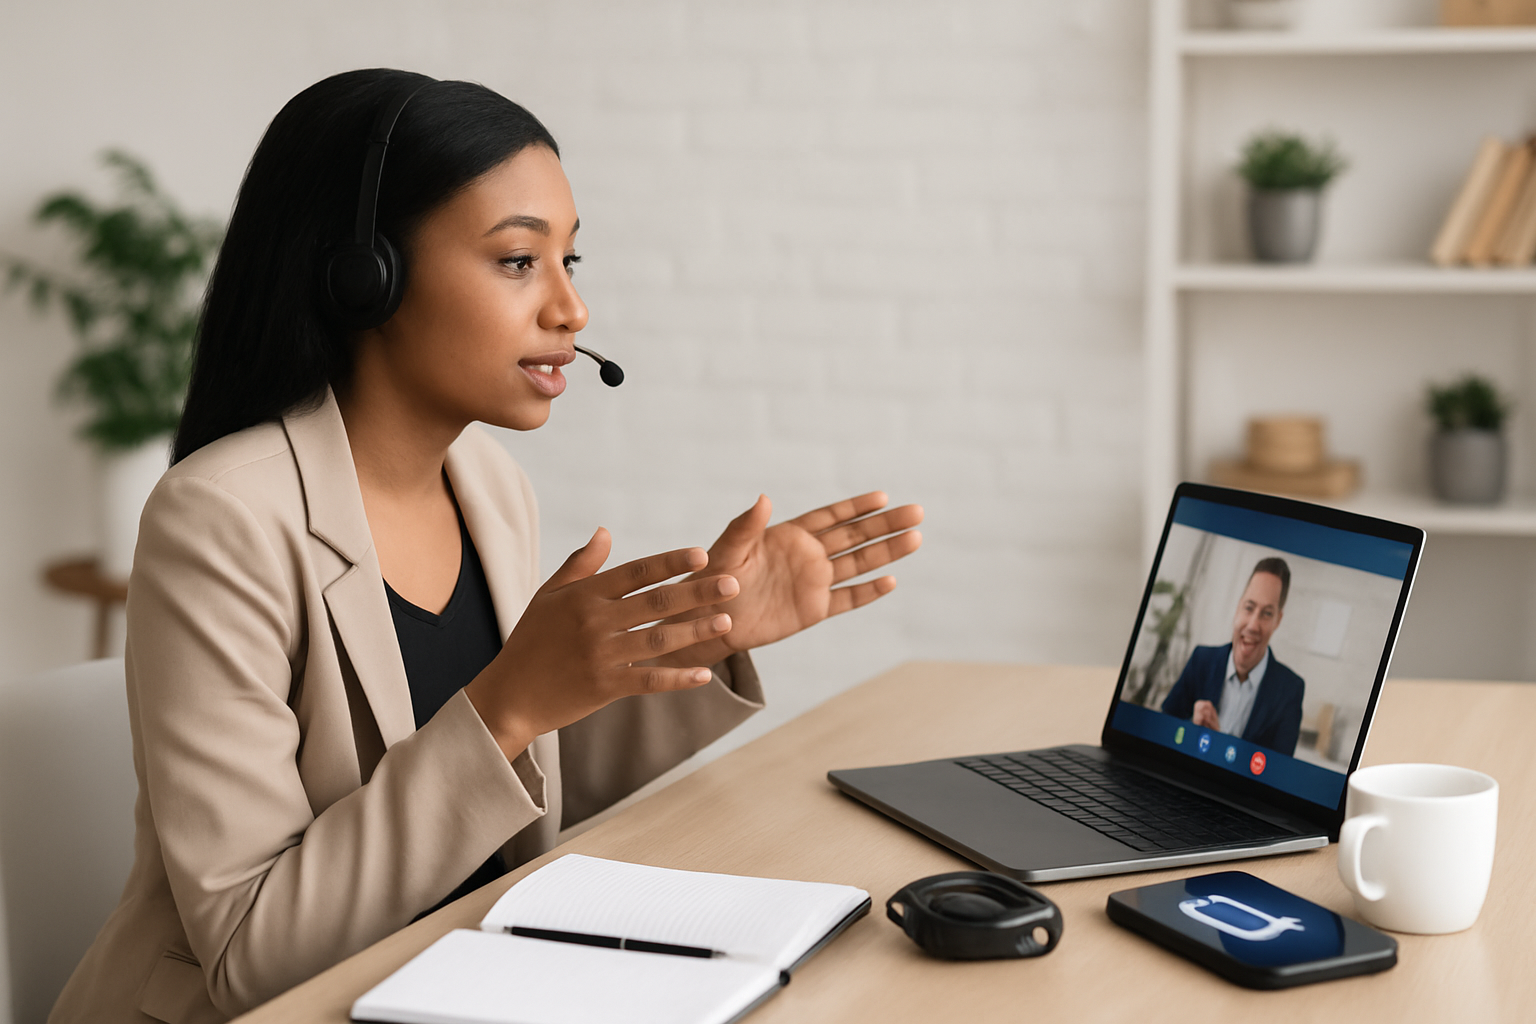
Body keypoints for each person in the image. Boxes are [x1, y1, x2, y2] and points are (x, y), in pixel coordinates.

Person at [49, 69, 923, 1024]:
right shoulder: (220, 518)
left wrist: (700, 635)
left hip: (442, 983)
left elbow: (511, 798)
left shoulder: (493, 489)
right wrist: (506, 704)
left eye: (570, 263)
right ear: (365, 275)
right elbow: (254, 953)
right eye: (517, 262)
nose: (570, 310)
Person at [1160, 557, 1304, 756]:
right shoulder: (1201, 659)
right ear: (1238, 608)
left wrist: (1219, 742)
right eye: (1249, 608)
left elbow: (1277, 770)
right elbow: (1160, 729)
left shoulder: (1290, 690)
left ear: (1277, 621)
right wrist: (1192, 725)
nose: (1253, 625)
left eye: (1267, 613)